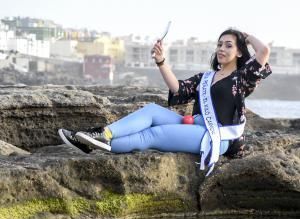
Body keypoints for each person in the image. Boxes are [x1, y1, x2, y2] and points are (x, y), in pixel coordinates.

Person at [58, 28, 271, 175]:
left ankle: (95, 145)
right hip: (196, 124)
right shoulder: (206, 77)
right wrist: (160, 61)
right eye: (219, 45)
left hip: (216, 137)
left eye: (229, 45)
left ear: (239, 51)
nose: (222, 49)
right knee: (151, 111)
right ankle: (100, 135)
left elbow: (264, 51)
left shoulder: (242, 78)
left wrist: (246, 36)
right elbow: (178, 89)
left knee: (152, 135)